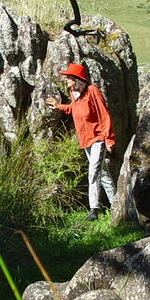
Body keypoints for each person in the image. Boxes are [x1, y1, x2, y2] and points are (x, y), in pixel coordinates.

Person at [46, 63, 115, 221]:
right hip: (85, 139)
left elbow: (104, 115)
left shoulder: (92, 91)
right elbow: (74, 109)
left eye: (69, 77)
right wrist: (59, 107)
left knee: (93, 172)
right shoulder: (74, 93)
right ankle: (117, 203)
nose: (66, 80)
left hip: (98, 138)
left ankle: (94, 210)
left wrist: (109, 138)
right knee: (102, 173)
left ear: (77, 79)